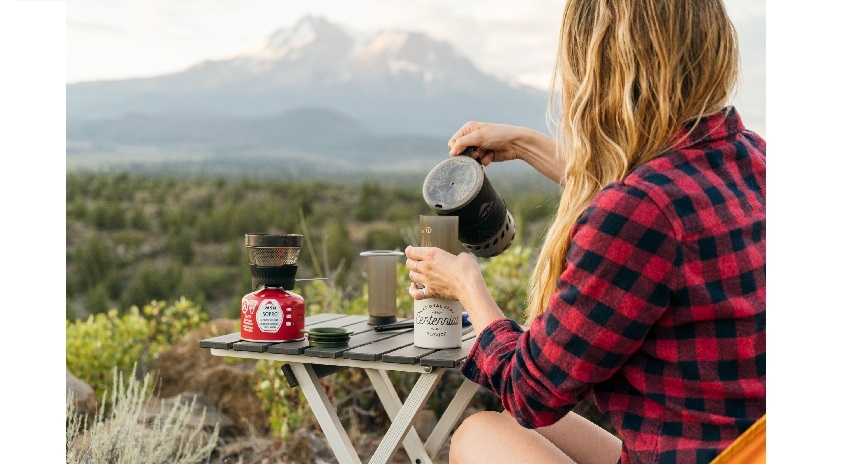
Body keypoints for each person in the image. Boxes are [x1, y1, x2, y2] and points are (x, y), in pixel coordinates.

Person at [403, 0, 766, 463]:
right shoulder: (750, 156)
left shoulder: (641, 213)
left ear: (601, 64)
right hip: (742, 451)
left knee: (479, 434)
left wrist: (466, 285)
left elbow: (532, 391)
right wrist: (524, 142)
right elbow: (646, 192)